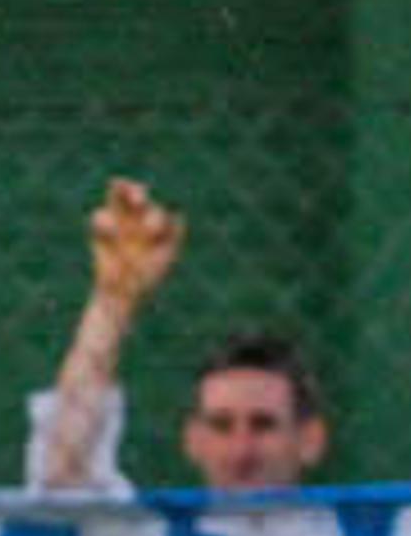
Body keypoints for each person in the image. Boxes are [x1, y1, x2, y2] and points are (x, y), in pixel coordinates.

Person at [25, 179, 333, 495]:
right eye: (221, 425)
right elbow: (63, 476)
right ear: (193, 439)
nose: (242, 450)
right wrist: (113, 301)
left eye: (264, 425)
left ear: (310, 440)